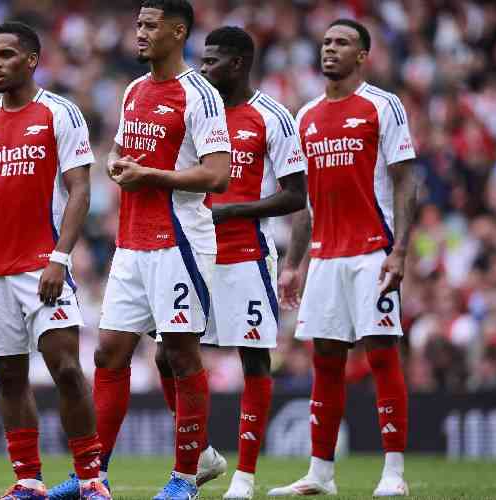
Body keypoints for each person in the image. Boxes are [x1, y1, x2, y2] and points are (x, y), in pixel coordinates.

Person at [48, 1, 231, 499]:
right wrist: (119, 163)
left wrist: (150, 175)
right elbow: (131, 155)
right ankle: (94, 474)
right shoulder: (133, 90)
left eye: (151, 26)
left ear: (178, 32)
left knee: (179, 354)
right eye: (138, 25)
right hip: (131, 242)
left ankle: (186, 478)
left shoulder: (201, 95)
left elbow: (218, 173)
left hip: (180, 241)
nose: (141, 33)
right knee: (108, 353)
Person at [0, 21, 110, 500]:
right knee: (9, 376)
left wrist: (60, 258)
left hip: (43, 265)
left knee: (65, 368)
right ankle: (28, 479)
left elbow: (80, 189)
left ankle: (90, 479)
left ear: (31, 60)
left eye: (5, 55)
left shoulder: (60, 113)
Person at [154, 26, 308, 500]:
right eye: (202, 60)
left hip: (245, 257)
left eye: (213, 60)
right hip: (190, 253)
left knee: (254, 361)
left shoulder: (272, 117)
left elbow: (297, 195)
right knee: (165, 355)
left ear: (238, 63)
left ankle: (245, 478)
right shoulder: (194, 109)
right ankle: (202, 454)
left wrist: (233, 210)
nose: (203, 68)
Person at [267, 18, 417, 497]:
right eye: (327, 41)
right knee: (325, 361)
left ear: (362, 55)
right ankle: (320, 474)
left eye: (343, 42)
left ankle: (393, 473)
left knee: (381, 355)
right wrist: (293, 263)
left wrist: (401, 250)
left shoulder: (382, 105)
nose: (330, 49)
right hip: (325, 258)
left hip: (372, 251)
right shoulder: (306, 115)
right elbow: (305, 199)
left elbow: (404, 180)